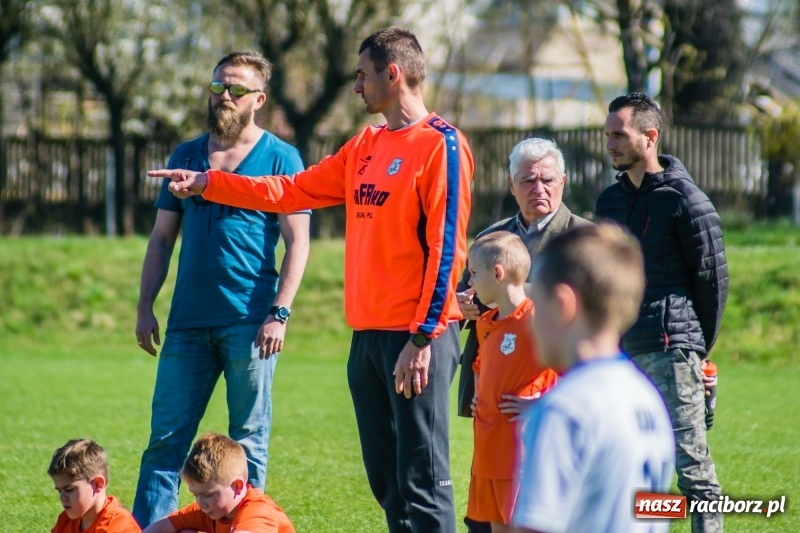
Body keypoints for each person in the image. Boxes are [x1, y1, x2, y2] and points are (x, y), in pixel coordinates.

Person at [147, 27, 473, 533]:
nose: (357, 87)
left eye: (363, 75)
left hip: (417, 337)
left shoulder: (440, 145)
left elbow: (447, 248)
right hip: (368, 336)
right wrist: (211, 182)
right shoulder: (365, 144)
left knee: (423, 482)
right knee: (386, 480)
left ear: (394, 73)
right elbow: (290, 190)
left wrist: (423, 335)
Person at [132, 51, 310, 527]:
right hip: (186, 324)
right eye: (217, 88)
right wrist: (145, 307)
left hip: (249, 323)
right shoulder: (185, 155)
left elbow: (298, 242)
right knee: (165, 441)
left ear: (258, 98)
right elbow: (161, 239)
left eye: (234, 89)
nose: (223, 97)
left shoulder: (281, 157)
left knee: (248, 441)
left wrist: (280, 313)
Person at [595, 92, 728, 533]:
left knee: (692, 471)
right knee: (637, 473)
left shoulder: (686, 201)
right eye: (607, 134)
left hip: (672, 352)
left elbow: (712, 283)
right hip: (619, 356)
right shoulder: (608, 205)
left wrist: (693, 349)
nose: (610, 143)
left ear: (649, 137)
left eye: (619, 134)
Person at [455, 138, 590, 533]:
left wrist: (520, 294)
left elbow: (590, 309)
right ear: (511, 184)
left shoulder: (585, 238)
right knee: (492, 511)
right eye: (528, 180)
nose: (539, 189)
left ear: (563, 181)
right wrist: (463, 306)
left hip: (549, 391)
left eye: (547, 179)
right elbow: (470, 295)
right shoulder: (491, 237)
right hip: (497, 387)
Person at [511, 223, 675, 533]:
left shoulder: (565, 408)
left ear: (562, 304)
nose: (531, 325)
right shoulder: (647, 398)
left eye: (537, 306)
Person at [465, 232, 557, 533]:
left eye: (473, 273)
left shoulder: (537, 319)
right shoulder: (485, 323)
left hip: (520, 451)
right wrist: (480, 394)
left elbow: (576, 373)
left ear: (497, 273)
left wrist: (542, 402)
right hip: (487, 448)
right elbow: (481, 366)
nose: (470, 282)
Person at [142, 433, 294, 533]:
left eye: (208, 494)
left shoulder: (258, 510)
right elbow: (159, 528)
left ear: (237, 486)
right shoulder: (209, 510)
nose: (202, 503)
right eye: (196, 495)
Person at [49, 439, 141, 533]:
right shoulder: (65, 521)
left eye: (69, 489)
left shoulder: (118, 525)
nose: (62, 497)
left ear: (98, 484)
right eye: (60, 491)